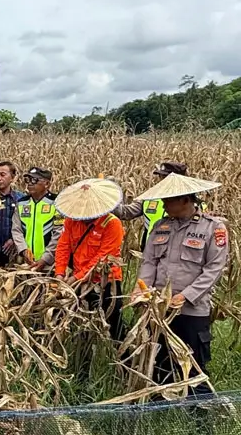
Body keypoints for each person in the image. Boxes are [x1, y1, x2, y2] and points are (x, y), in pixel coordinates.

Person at [132, 174, 228, 397]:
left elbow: (214, 269)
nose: (164, 205)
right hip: (158, 309)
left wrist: (185, 296)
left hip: (191, 310)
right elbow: (149, 262)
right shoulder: (160, 226)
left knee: (193, 366)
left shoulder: (213, 228)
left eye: (169, 200)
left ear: (185, 200)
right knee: (158, 363)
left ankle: (201, 417)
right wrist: (141, 289)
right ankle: (161, 410)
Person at [53, 178, 126, 341]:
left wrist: (74, 279)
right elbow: (63, 247)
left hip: (107, 281)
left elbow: (103, 258)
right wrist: (59, 274)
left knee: (114, 324)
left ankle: (122, 359)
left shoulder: (112, 224)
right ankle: (84, 360)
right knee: (80, 323)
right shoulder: (72, 220)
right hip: (80, 280)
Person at [114, 162, 206, 250]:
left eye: (165, 177)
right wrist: (110, 199)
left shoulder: (194, 203)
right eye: (161, 177)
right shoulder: (149, 199)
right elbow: (126, 212)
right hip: (151, 254)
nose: (160, 180)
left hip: (181, 257)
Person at [11, 167, 63, 271]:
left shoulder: (57, 203)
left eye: (34, 180)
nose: (30, 183)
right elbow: (16, 230)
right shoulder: (21, 203)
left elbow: (59, 233)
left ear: (47, 184)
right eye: (28, 180)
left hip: (50, 265)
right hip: (26, 263)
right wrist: (23, 250)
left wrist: (45, 259)